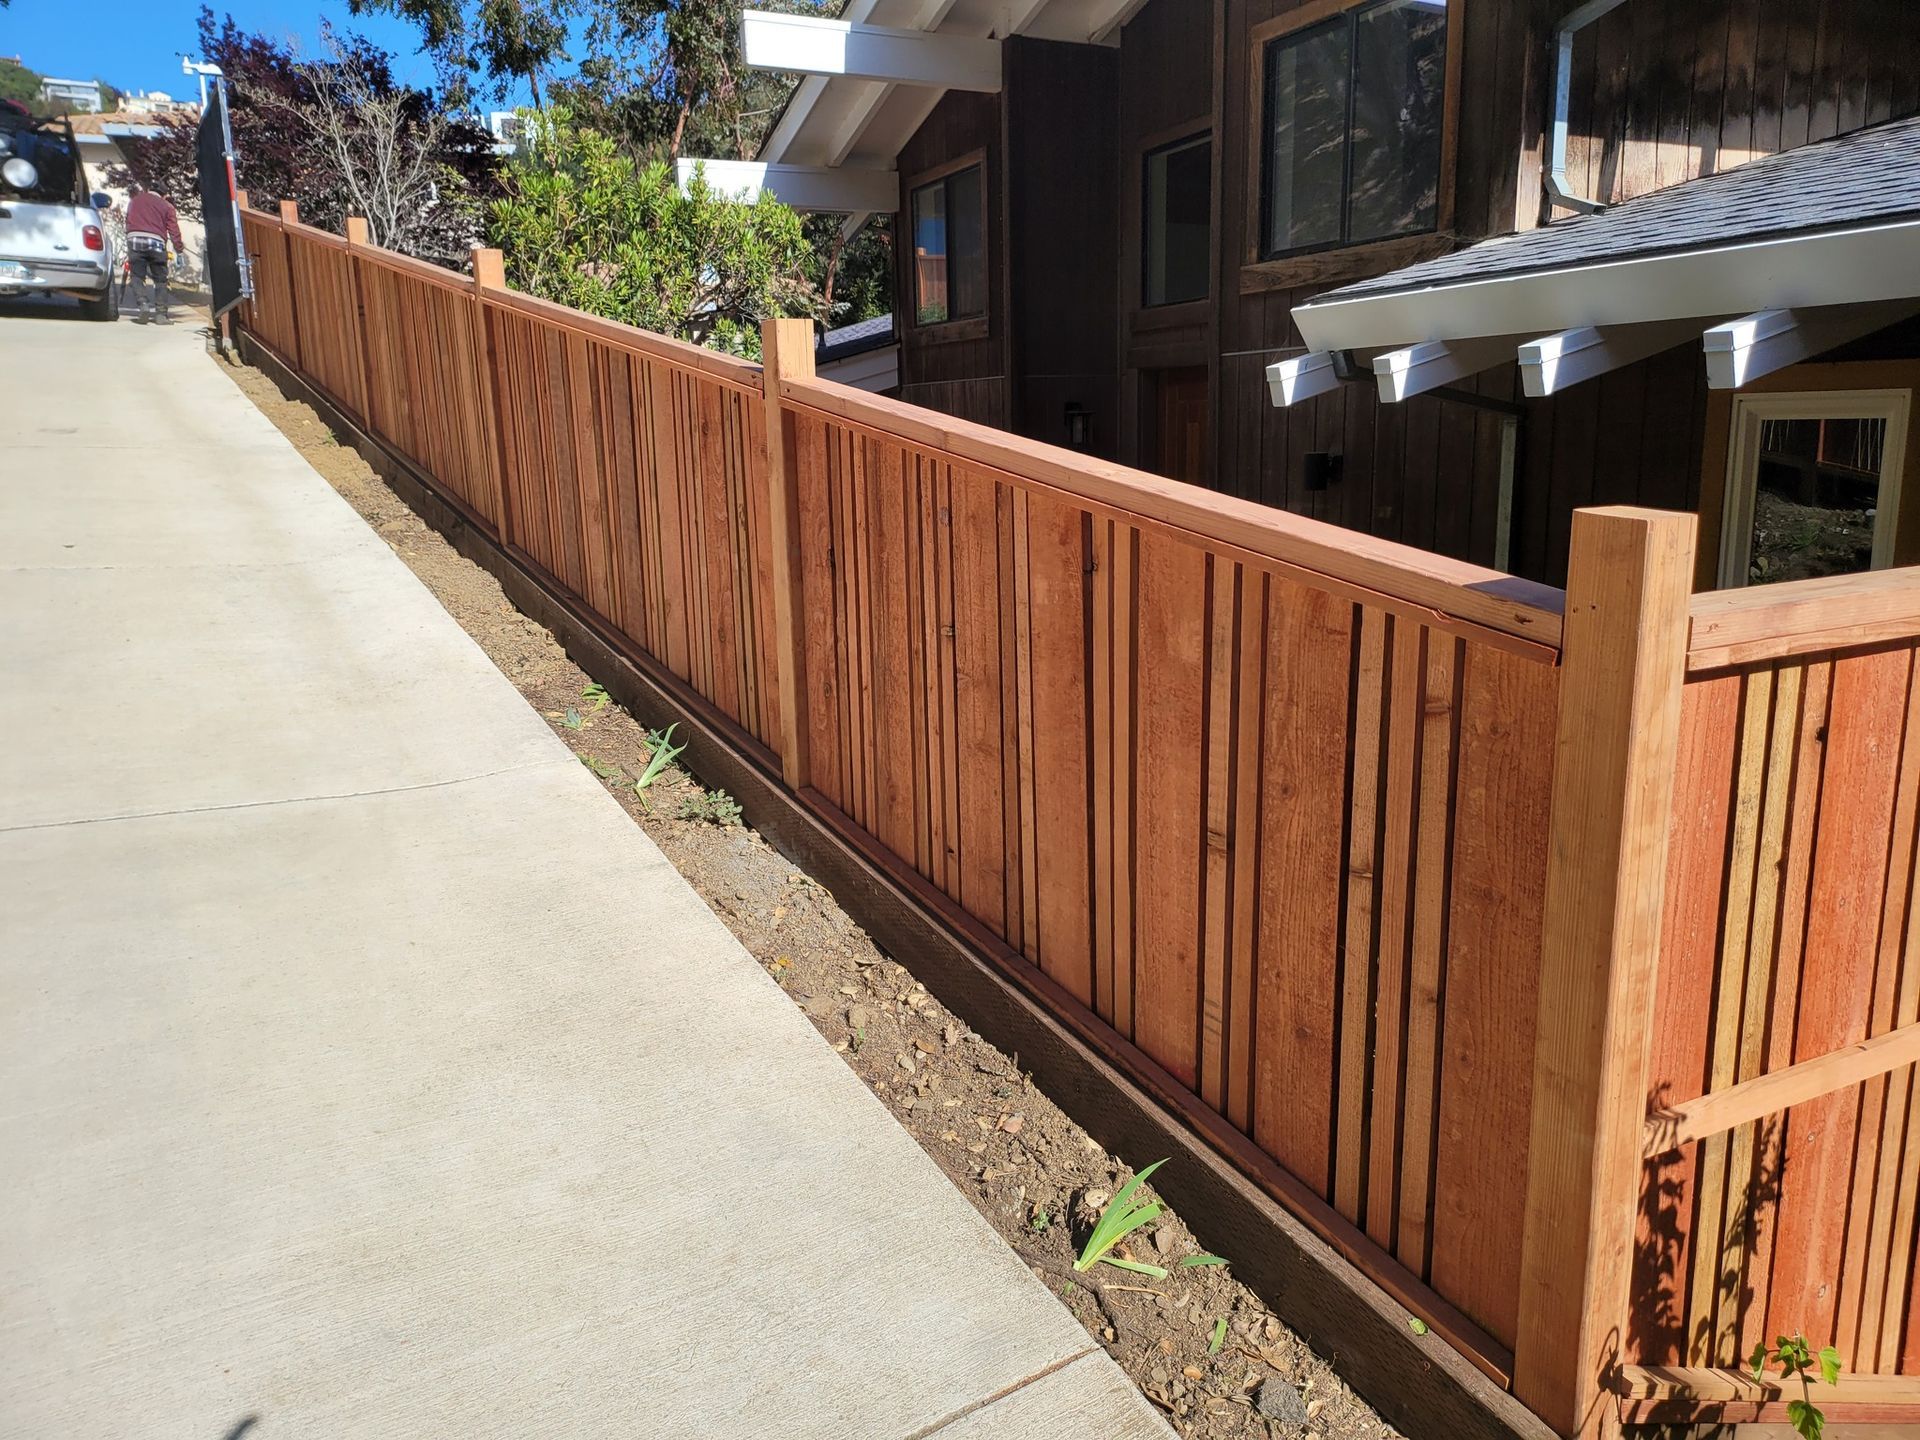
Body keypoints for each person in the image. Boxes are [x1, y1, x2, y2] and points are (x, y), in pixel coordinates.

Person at [123, 181, 184, 325]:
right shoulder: (167, 206)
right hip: (156, 242)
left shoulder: (134, 201)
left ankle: (143, 304)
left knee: (137, 276)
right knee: (161, 279)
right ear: (164, 195)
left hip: (135, 239)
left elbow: (127, 221)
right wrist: (179, 249)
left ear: (149, 190)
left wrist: (130, 238)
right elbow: (173, 229)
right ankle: (161, 315)